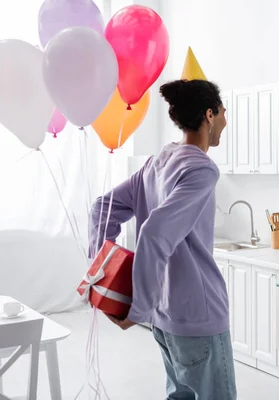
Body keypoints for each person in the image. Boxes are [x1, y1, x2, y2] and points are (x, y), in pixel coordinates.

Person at [88, 79, 237, 399]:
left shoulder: (157, 162)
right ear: (210, 115)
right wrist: (138, 308)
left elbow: (103, 210)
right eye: (225, 112)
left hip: (165, 318)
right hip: (198, 315)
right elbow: (154, 233)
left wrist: (105, 278)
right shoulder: (202, 169)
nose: (226, 120)